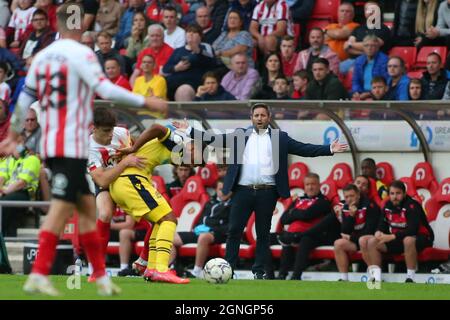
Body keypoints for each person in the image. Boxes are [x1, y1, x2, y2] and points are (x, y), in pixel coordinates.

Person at [0, 2, 167, 296]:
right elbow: (106, 89)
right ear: (79, 24)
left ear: (57, 22)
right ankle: (39, 273)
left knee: (89, 209)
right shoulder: (82, 53)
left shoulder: (40, 57)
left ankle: (100, 275)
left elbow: (24, 98)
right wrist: (145, 102)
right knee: (63, 208)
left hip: (57, 144)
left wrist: (14, 134)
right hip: (69, 145)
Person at [173, 103, 348, 279]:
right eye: (256, 115)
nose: (259, 118)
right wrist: (189, 130)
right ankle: (229, 269)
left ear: (268, 118)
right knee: (234, 230)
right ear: (251, 118)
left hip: (267, 192)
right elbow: (213, 139)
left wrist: (329, 149)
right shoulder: (240, 135)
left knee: (263, 233)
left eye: (263, 115)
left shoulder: (280, 138)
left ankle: (259, 271)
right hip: (242, 191)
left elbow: (304, 149)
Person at [110, 123, 204, 284]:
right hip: (131, 180)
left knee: (160, 221)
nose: (194, 165)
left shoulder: (176, 151)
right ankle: (161, 269)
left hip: (124, 183)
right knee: (169, 219)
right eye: (197, 159)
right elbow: (156, 127)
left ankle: (152, 268)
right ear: (193, 147)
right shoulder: (177, 143)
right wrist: (133, 149)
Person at [87, 107, 147, 279]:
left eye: (112, 130)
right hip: (106, 184)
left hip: (128, 180)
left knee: (155, 216)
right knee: (105, 214)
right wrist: (125, 163)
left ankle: (145, 262)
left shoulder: (121, 133)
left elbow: (135, 147)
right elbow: (102, 180)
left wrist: (134, 155)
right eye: (106, 131)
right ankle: (97, 268)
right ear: (94, 128)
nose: (110, 135)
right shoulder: (90, 149)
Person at [362, 180, 434, 283]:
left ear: (404, 193)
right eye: (392, 193)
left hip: (422, 238)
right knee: (372, 241)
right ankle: (376, 278)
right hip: (399, 238)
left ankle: (410, 277)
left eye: (398, 193)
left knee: (408, 240)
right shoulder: (387, 205)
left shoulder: (412, 205)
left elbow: (412, 230)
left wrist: (391, 237)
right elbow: (382, 223)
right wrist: (378, 231)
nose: (395, 197)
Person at [277, 173, 332, 280]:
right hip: (293, 234)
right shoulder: (298, 200)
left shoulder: (323, 201)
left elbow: (307, 215)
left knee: (304, 240)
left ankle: (296, 276)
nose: (310, 187)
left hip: (312, 235)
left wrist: (293, 212)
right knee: (272, 238)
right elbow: (283, 219)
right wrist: (299, 213)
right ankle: (279, 275)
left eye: (313, 184)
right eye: (307, 184)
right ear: (304, 186)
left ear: (319, 185)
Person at [179, 178, 231, 278]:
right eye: (220, 189)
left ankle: (196, 272)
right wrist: (197, 228)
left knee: (203, 237)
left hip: (220, 234)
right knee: (172, 237)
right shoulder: (210, 202)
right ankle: (170, 267)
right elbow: (201, 219)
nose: (223, 192)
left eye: (226, 189)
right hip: (203, 232)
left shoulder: (234, 204)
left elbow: (231, 225)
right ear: (216, 190)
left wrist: (212, 229)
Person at [333, 184, 380, 281]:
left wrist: (351, 238)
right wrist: (351, 216)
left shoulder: (369, 205)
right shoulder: (346, 207)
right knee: (338, 244)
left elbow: (369, 231)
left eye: (352, 196)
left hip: (369, 240)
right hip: (356, 240)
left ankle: (374, 277)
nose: (349, 199)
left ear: (358, 195)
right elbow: (345, 231)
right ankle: (344, 278)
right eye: (346, 197)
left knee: (363, 240)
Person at [163, 24, 217, 101]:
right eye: (188, 32)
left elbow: (211, 61)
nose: (191, 34)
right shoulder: (178, 50)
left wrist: (198, 50)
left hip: (193, 83)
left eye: (194, 32)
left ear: (200, 36)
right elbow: (166, 68)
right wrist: (176, 68)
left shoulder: (205, 47)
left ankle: (185, 113)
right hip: (173, 83)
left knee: (183, 91)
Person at [0, 139, 40, 237]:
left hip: (24, 194)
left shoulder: (32, 159)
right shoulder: (8, 160)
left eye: (21, 143)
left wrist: (5, 191)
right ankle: (6, 239)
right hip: (8, 193)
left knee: (5, 204)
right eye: (17, 143)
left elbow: (21, 183)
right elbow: (1, 177)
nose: (20, 146)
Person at [351, 34, 389, 101]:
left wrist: (370, 93)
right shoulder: (358, 61)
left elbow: (386, 81)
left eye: (373, 45)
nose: (369, 48)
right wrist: (357, 92)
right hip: (362, 93)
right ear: (363, 47)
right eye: (366, 45)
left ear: (378, 47)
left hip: (379, 94)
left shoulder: (384, 60)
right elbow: (355, 80)